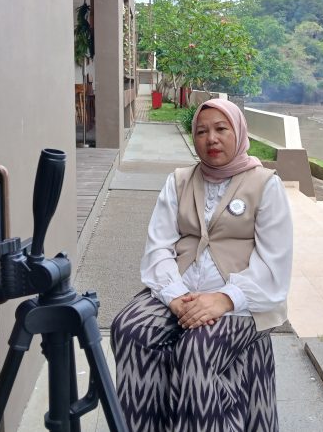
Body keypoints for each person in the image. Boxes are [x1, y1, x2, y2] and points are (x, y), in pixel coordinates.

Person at [111, 98, 293, 431]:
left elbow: (274, 264)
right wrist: (176, 297)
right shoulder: (179, 181)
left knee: (197, 348)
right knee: (130, 329)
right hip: (180, 292)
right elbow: (158, 247)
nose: (211, 139)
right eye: (201, 131)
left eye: (221, 129)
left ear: (239, 132)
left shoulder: (266, 185)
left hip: (243, 303)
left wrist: (224, 299)